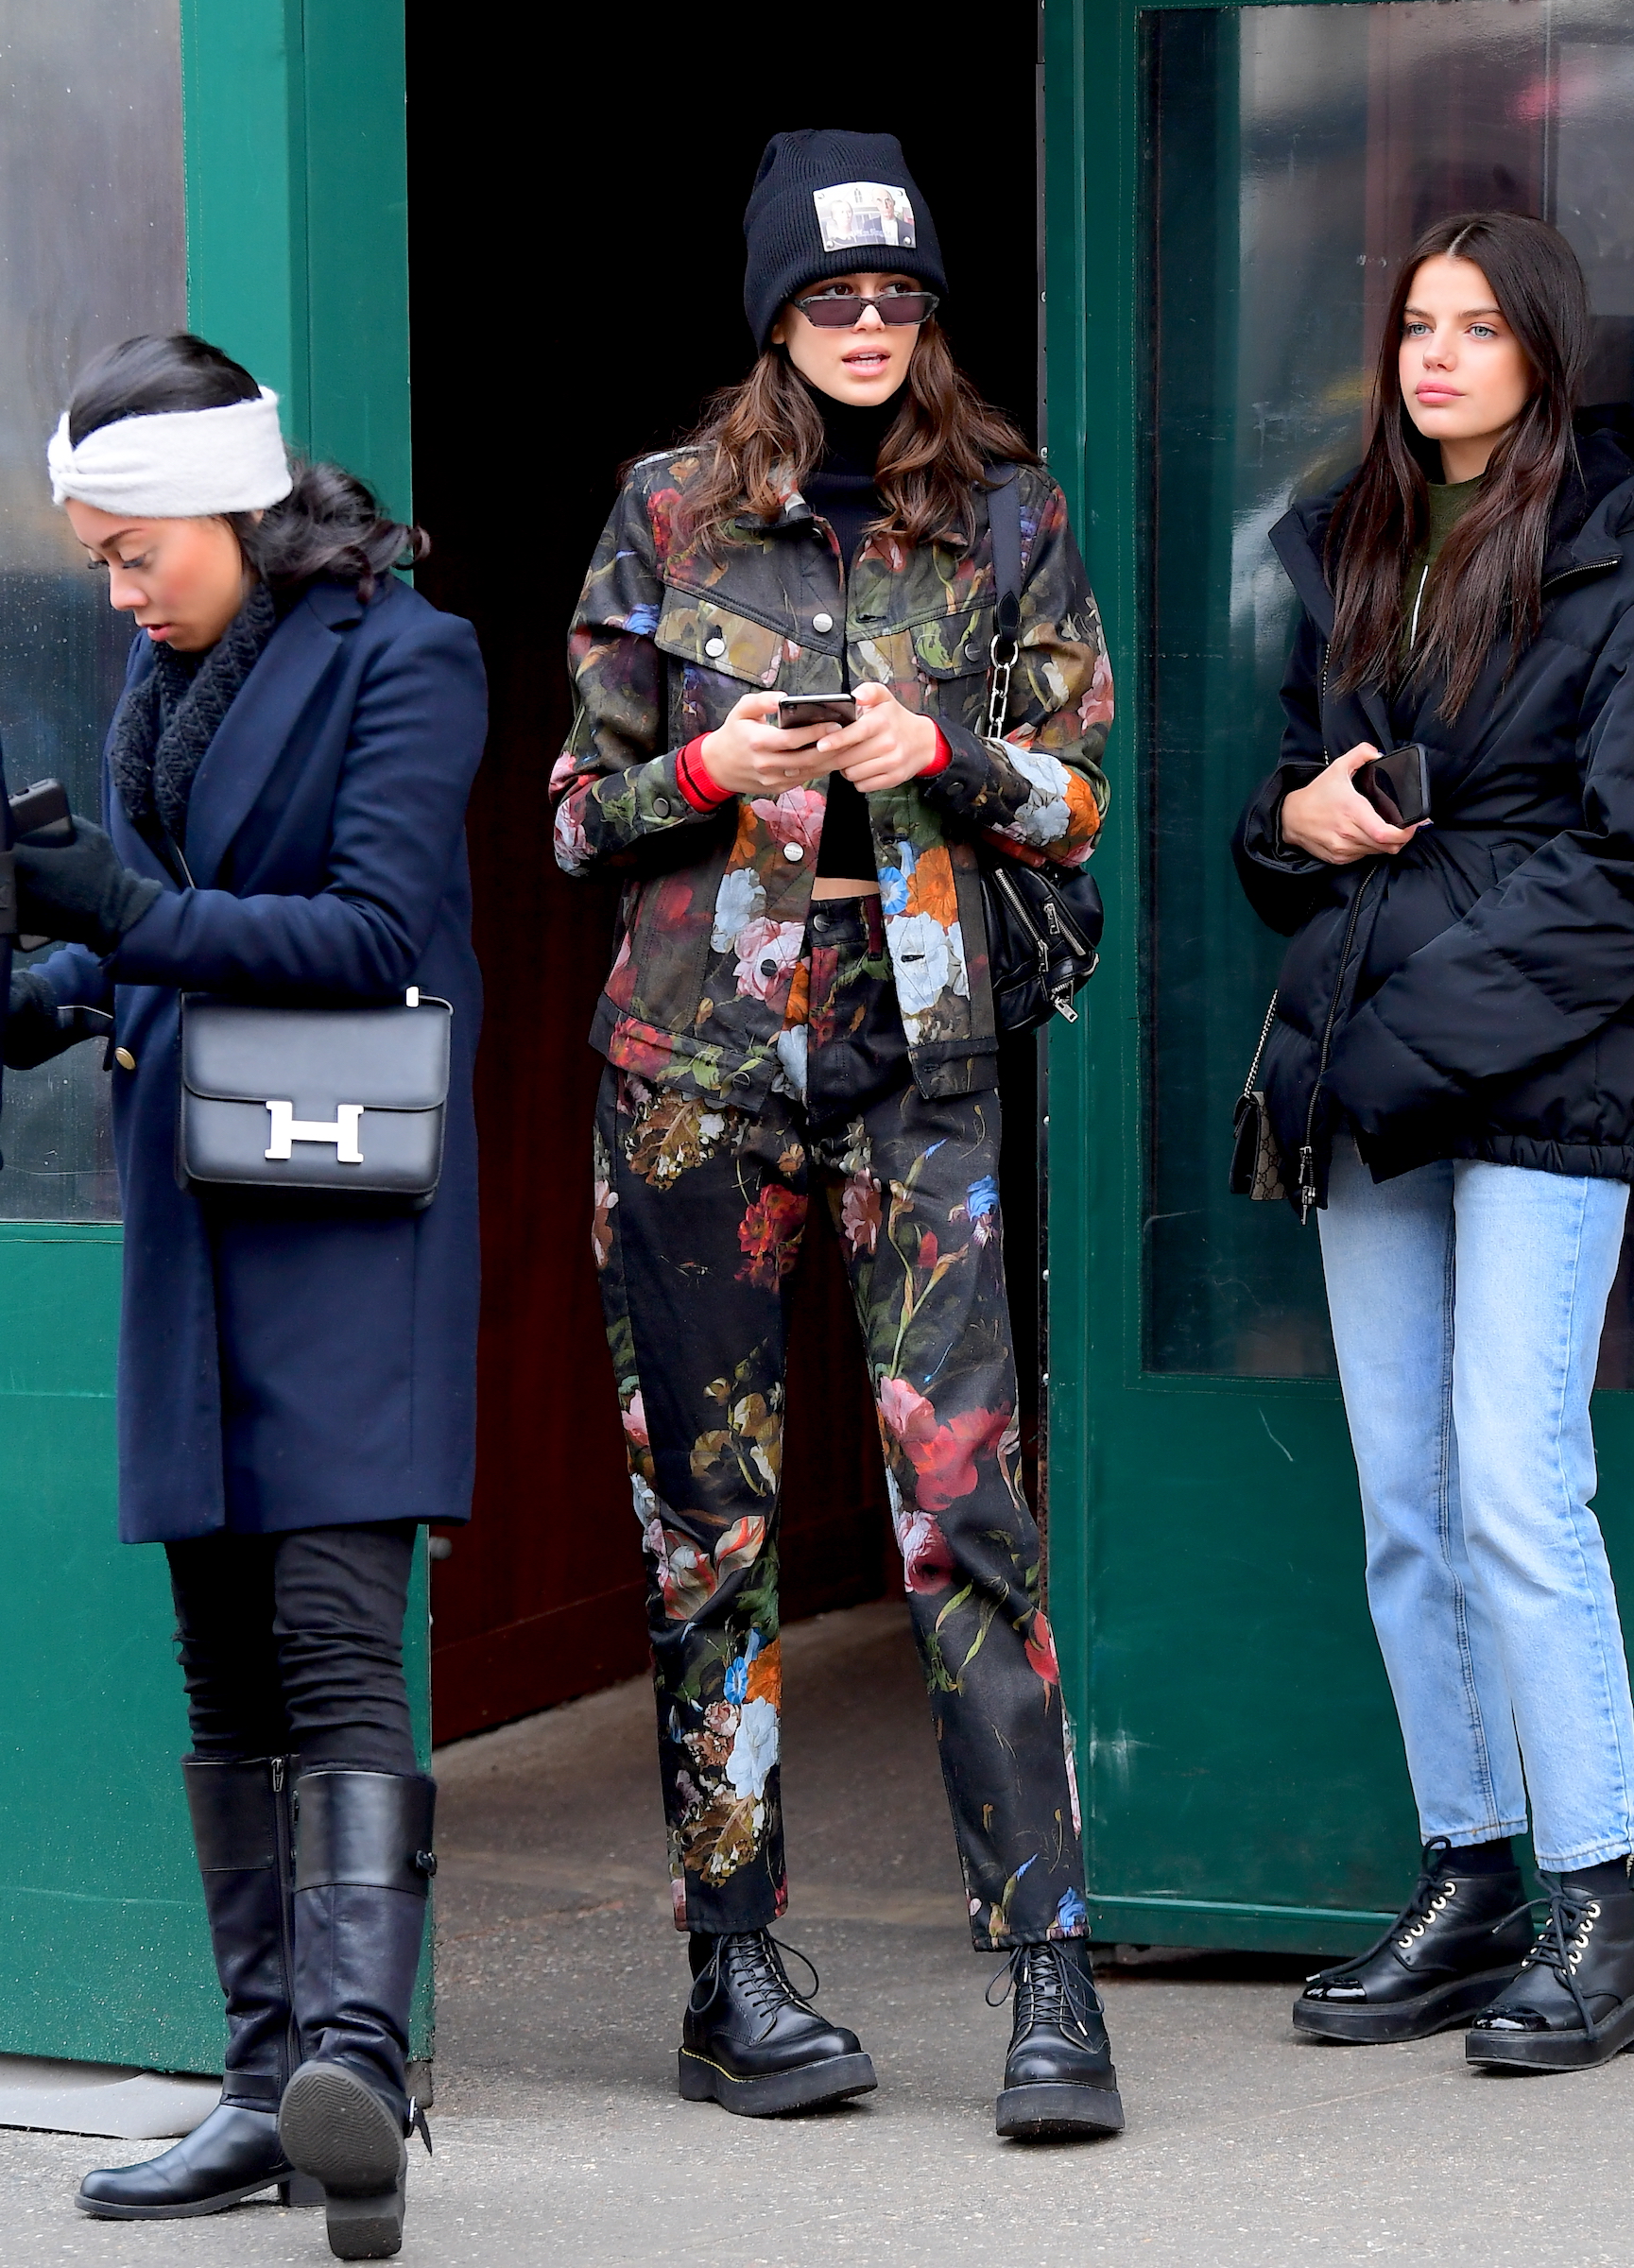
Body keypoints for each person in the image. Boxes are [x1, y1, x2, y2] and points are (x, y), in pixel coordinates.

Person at [555, 128, 1119, 2138]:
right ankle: (733, 1979)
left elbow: (1078, 800)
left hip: (919, 1074)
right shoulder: (668, 511)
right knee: (706, 1536)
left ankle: (1052, 1978)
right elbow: (576, 817)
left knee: (968, 1519)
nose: (869, 326)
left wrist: (944, 751)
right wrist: (711, 762)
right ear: (775, 317)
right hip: (692, 1082)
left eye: (896, 297)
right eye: (830, 296)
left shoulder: (1010, 514)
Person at [6, 334, 485, 2255]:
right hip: (195, 1194)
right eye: (100, 563)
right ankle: (262, 2087)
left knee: (334, 1632)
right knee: (222, 1651)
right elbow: (169, 933)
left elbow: (369, 934)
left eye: (135, 553)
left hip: (345, 1200)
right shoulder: (167, 671)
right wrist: (50, 986)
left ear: (227, 503)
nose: (118, 592)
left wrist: (116, 916)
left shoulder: (409, 654)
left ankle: (354, 2074)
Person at [1234, 211, 1634, 2071]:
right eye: (1415, 324)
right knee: (1405, 1497)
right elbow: (1290, 820)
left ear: (1542, 350)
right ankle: (1466, 1882)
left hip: (1536, 1078)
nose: (1437, 355)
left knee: (1513, 1489)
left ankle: (1601, 1901)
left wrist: (1394, 1039)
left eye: (1476, 327)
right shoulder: (1356, 542)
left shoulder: (1613, 544)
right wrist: (1294, 823)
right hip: (1369, 1072)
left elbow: (1615, 872)